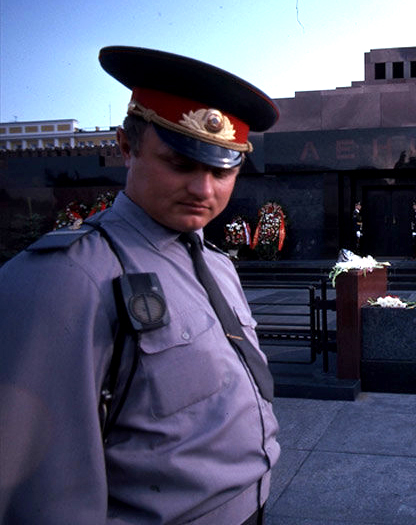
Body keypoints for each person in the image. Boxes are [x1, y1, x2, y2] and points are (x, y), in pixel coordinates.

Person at [0, 46, 280, 523]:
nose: (204, 190)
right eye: (180, 163)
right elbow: (41, 492)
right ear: (126, 148)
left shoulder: (217, 266)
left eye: (221, 170)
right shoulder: (64, 279)